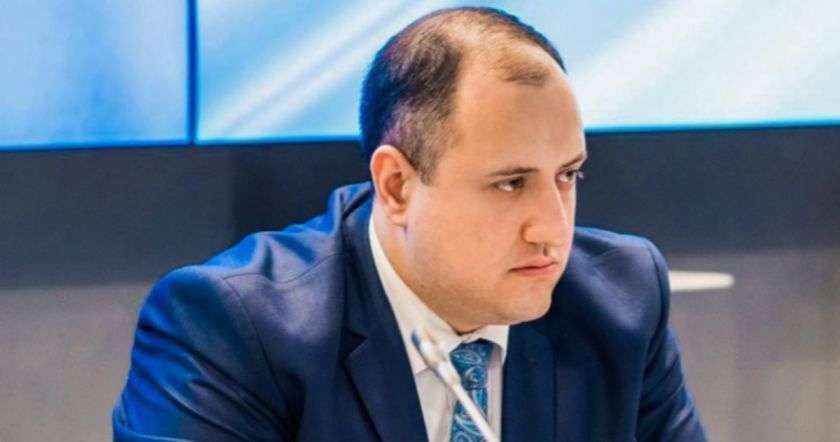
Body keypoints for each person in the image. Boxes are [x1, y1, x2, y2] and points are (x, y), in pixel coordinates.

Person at [113, 7, 706, 441]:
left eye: (568, 175)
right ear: (396, 185)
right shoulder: (235, 328)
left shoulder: (620, 303)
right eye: (510, 183)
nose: (552, 229)